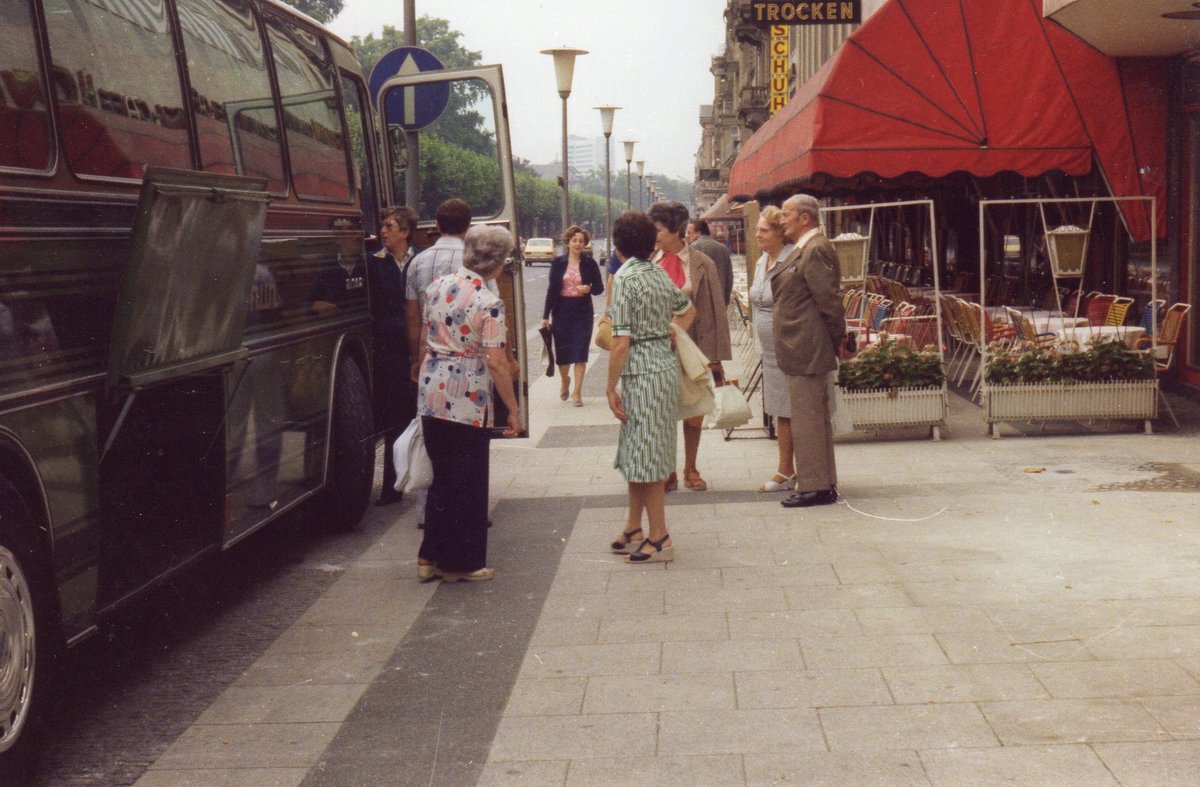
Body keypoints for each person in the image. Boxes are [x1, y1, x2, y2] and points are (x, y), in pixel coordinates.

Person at [415, 225, 521, 583]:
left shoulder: (437, 287)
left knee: (442, 477)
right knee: (468, 481)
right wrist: (514, 408)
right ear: (496, 262)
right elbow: (496, 361)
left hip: (432, 392)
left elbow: (424, 335)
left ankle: (428, 556)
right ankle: (462, 564)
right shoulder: (488, 303)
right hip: (467, 398)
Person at [606, 211, 695, 564]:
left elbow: (621, 341)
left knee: (646, 456)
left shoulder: (625, 278)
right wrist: (672, 333)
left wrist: (609, 386)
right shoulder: (657, 272)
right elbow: (687, 309)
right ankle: (634, 526)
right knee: (640, 451)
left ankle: (660, 536)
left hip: (641, 373)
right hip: (662, 368)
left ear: (617, 244)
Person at [647, 200, 731, 492]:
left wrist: (716, 358)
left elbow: (713, 311)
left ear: (677, 230)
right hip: (657, 350)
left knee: (694, 410)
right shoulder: (649, 262)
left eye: (658, 229)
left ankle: (691, 468)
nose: (654, 235)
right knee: (663, 411)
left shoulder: (702, 264)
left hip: (692, 348)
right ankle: (667, 469)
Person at [772, 193, 849, 508]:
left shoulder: (815, 248)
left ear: (805, 217)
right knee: (812, 418)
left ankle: (815, 486)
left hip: (808, 346)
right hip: (802, 345)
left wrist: (840, 340)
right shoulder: (805, 248)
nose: (782, 219)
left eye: (787, 213)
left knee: (807, 419)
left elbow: (829, 302)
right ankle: (822, 482)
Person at [369, 205, 420, 506]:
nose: (383, 231)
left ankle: (428, 481)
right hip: (391, 351)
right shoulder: (374, 264)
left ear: (405, 232)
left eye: (389, 226)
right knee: (395, 419)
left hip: (422, 349)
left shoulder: (423, 259)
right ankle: (392, 486)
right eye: (382, 226)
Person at [747, 206, 797, 492]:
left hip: (788, 347)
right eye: (757, 230)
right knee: (780, 409)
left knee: (791, 410)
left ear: (780, 233)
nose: (757, 235)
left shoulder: (791, 259)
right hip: (769, 351)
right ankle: (785, 469)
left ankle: (790, 470)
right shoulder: (762, 261)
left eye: (763, 230)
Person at [405, 198, 473, 383]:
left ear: (437, 225)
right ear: (468, 225)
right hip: (470, 359)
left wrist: (416, 359)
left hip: (431, 357)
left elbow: (413, 318)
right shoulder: (475, 262)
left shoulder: (417, 262)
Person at [540, 225, 604, 406]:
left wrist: (589, 288)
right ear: (568, 243)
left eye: (581, 241)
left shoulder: (590, 263)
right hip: (561, 312)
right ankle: (565, 380)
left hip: (582, 312)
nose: (577, 244)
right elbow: (552, 290)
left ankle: (577, 392)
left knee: (580, 353)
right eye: (574, 240)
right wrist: (545, 316)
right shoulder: (558, 263)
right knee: (563, 354)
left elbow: (599, 289)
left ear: (585, 244)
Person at [687, 218, 733, 306]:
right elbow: (729, 278)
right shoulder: (723, 249)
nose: (687, 235)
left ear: (698, 233)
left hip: (699, 304)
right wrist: (725, 300)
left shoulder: (692, 249)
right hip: (719, 299)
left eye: (689, 233)